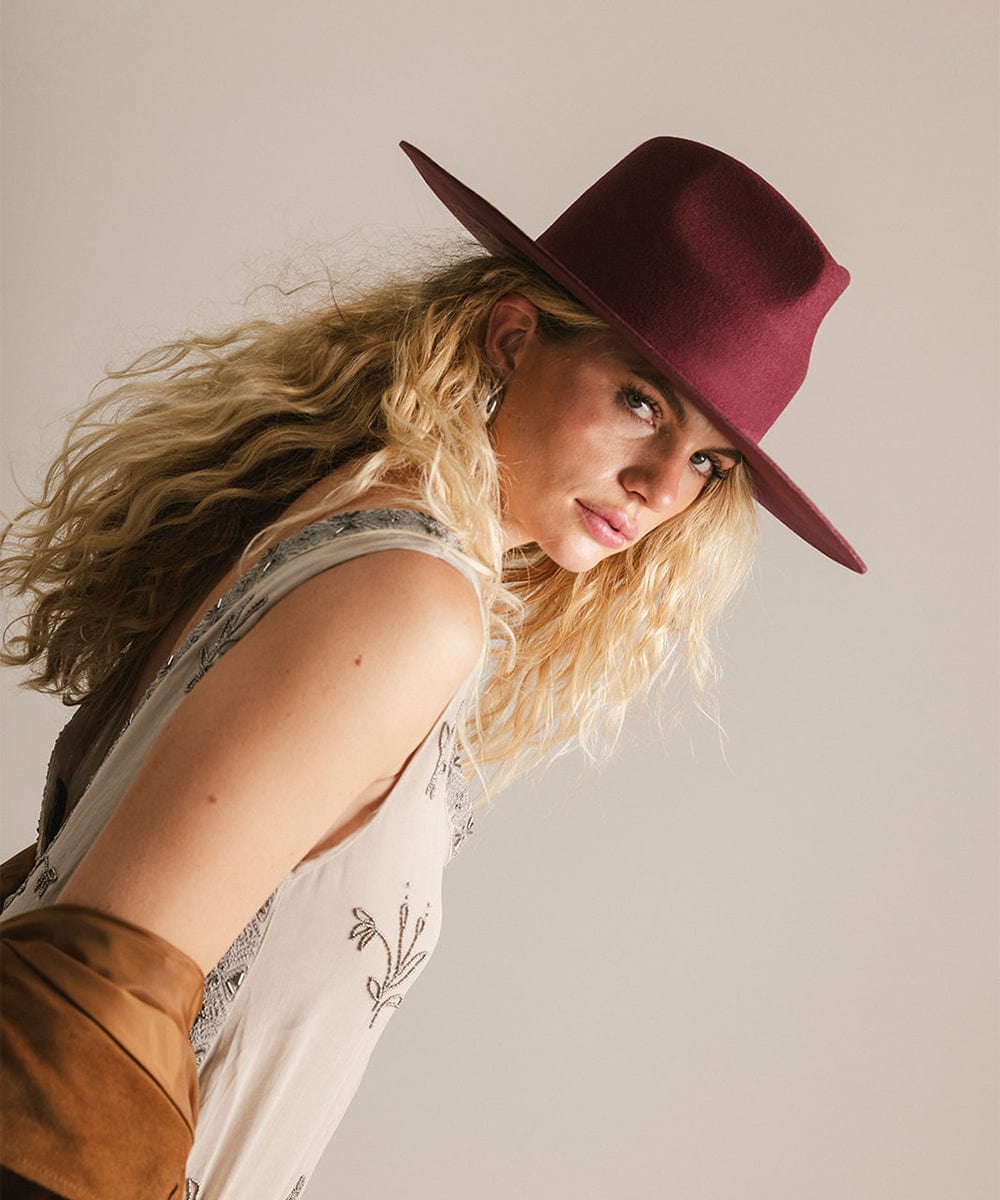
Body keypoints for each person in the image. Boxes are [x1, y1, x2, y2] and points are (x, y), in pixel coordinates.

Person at [0, 136, 864, 1199]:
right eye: (641, 401)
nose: (655, 488)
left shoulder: (362, 532)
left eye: (707, 462)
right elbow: (84, 1003)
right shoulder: (411, 597)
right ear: (511, 337)